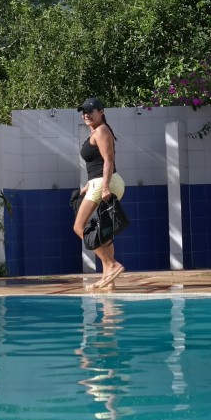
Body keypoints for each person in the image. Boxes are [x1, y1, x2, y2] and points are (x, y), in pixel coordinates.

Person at [73, 97, 126, 289]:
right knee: (104, 234)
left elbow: (109, 160)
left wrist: (103, 187)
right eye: (84, 111)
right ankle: (108, 279)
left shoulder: (102, 130)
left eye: (91, 111)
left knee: (80, 228)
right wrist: (89, 184)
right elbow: (97, 164)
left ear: (101, 112)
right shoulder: (97, 132)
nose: (86, 114)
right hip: (102, 182)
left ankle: (111, 265)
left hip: (106, 182)